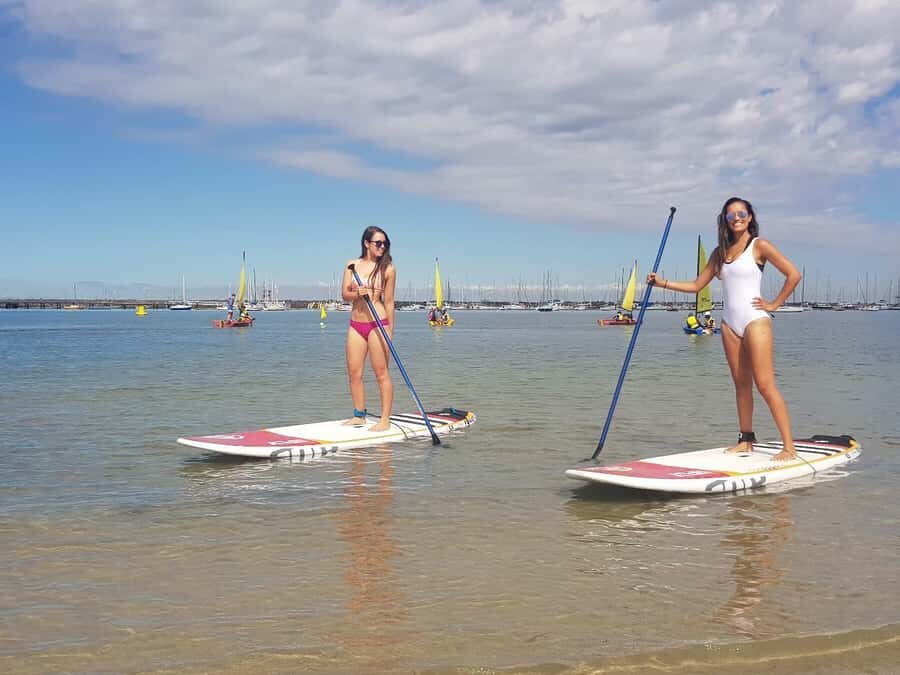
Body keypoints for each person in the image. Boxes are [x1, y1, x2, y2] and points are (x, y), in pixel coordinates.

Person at [648, 197, 802, 461]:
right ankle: (746, 440)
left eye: (741, 214)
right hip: (729, 323)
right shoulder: (719, 253)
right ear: (725, 221)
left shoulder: (759, 245)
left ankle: (789, 447)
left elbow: (794, 274)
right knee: (741, 385)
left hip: (755, 320)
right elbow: (697, 285)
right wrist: (662, 283)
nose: (737, 218)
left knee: (765, 385)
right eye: (731, 216)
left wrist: (774, 304)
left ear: (750, 217)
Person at [342, 226, 396, 431]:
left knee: (381, 373)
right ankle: (359, 415)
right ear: (366, 243)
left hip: (378, 325)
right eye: (378, 243)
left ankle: (385, 419)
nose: (382, 247)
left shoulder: (388, 269)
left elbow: (389, 302)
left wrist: (390, 331)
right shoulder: (352, 265)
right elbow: (345, 295)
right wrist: (358, 293)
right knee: (354, 373)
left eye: (385, 243)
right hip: (356, 325)